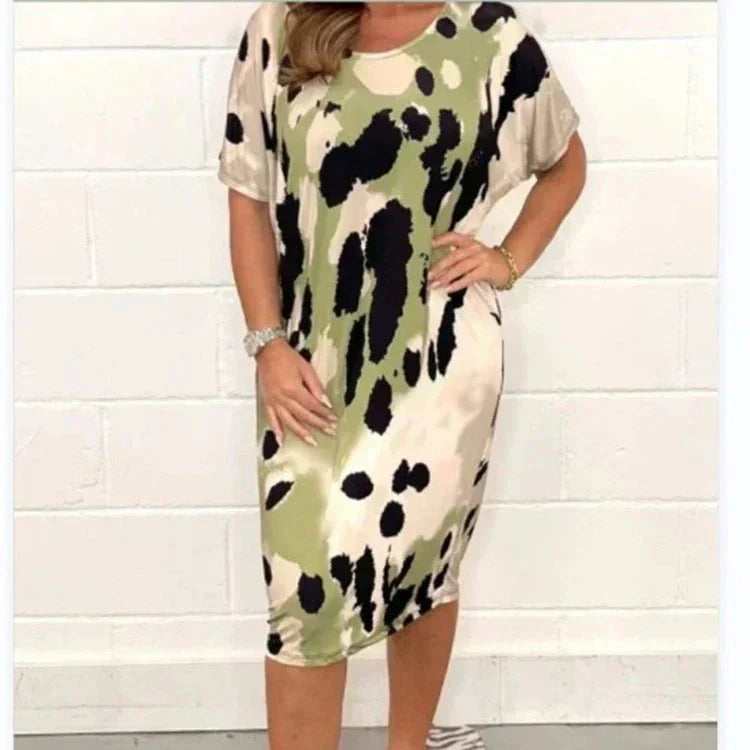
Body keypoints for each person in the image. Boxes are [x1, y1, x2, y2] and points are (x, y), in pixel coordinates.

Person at [217, 2, 586, 748]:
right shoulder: (283, 25)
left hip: (443, 368)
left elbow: (566, 162)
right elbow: (248, 198)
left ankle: (409, 743)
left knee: (425, 567)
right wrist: (267, 345)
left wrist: (506, 259)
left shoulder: (489, 35)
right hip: (312, 365)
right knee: (304, 596)